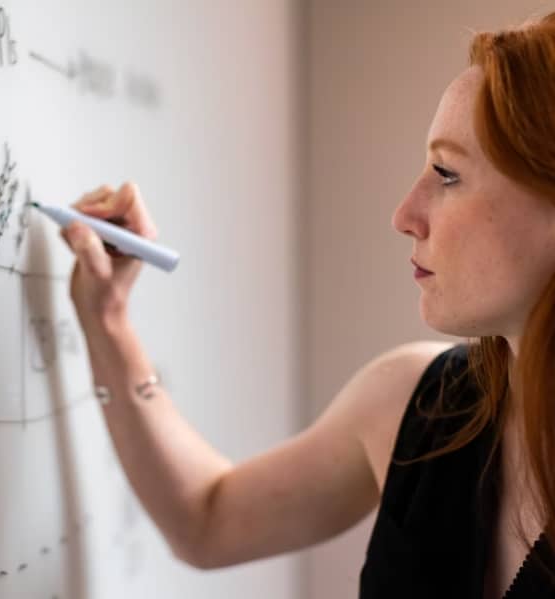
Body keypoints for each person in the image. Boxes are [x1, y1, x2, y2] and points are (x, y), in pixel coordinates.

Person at [59, 12, 555, 599]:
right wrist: (109, 320)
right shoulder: (420, 405)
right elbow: (206, 521)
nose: (404, 216)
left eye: (447, 174)